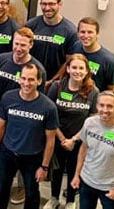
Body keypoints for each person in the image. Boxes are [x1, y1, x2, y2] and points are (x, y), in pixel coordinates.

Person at [0, 63, 59, 209]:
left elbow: (50, 140)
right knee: (2, 189)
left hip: (32, 158)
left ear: (39, 81)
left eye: (31, 79)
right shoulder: (8, 98)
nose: (26, 83)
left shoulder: (48, 107)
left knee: (31, 193)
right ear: (19, 79)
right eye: (24, 78)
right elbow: (0, 127)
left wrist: (44, 167)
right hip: (7, 153)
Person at [44, 54, 99, 209]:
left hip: (80, 141)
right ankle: (54, 197)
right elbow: (49, 115)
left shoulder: (93, 91)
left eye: (81, 68)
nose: (77, 71)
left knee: (75, 170)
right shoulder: (57, 86)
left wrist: (74, 140)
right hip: (57, 137)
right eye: (74, 67)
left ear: (87, 70)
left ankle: (70, 200)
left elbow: (92, 121)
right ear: (67, 68)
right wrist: (62, 139)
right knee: (57, 169)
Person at [71, 90, 114, 209]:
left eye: (110, 106)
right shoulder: (89, 123)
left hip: (108, 188)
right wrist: (76, 175)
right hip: (87, 182)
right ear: (96, 106)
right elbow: (83, 149)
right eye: (102, 105)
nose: (105, 110)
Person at [26, 0, 77, 81]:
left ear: (60, 4)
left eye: (51, 4)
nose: (47, 8)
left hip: (54, 83)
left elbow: (69, 62)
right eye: (44, 4)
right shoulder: (31, 25)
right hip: (30, 80)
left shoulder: (70, 31)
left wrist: (52, 81)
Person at [71, 17, 114, 91]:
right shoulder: (76, 47)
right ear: (78, 33)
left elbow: (111, 90)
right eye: (83, 32)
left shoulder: (109, 60)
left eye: (90, 32)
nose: (86, 36)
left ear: (97, 34)